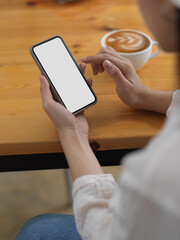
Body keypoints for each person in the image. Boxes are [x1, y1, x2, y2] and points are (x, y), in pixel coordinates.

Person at [15, 0, 180, 239]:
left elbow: (105, 231)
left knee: (37, 230)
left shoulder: (158, 171)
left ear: (170, 10)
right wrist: (144, 97)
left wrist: (73, 133)